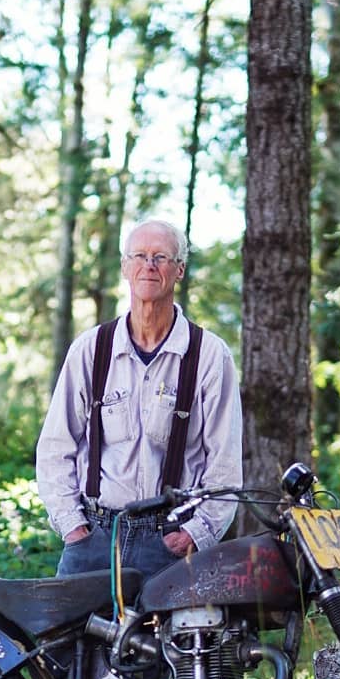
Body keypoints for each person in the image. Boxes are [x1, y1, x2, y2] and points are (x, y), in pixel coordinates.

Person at [37, 217, 243, 577]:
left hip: (171, 541)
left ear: (179, 270)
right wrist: (72, 526)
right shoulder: (90, 349)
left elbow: (224, 463)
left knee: (183, 636)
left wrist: (196, 533)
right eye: (140, 256)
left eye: (161, 257)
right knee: (62, 633)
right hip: (95, 538)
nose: (149, 265)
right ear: (125, 267)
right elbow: (55, 448)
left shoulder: (209, 355)